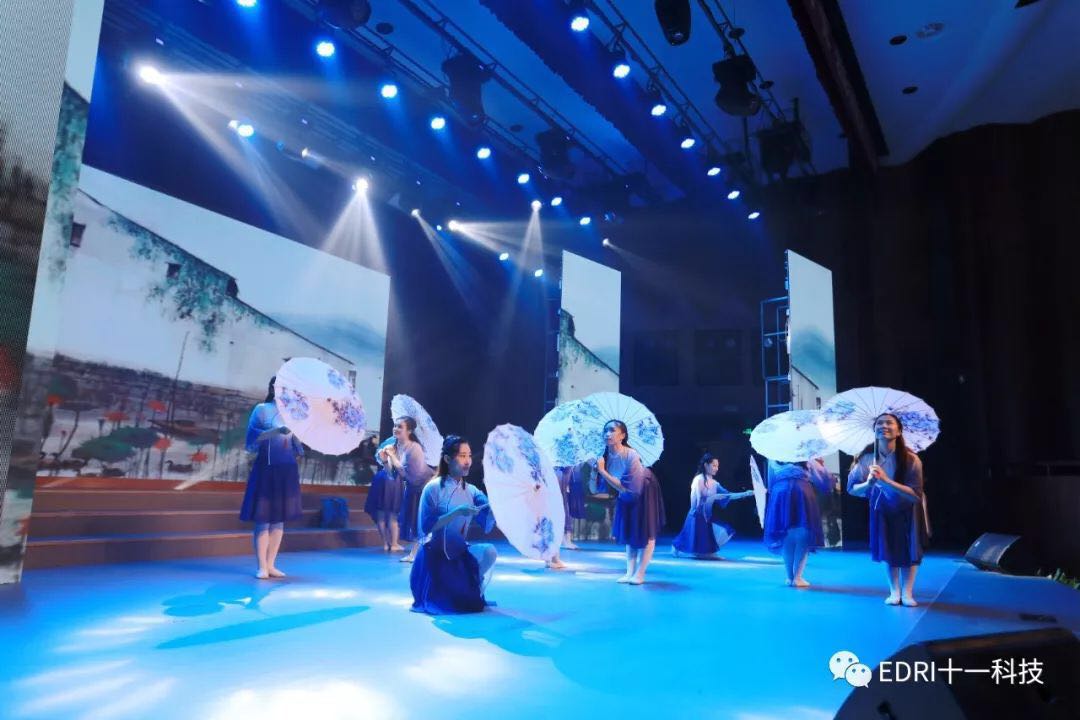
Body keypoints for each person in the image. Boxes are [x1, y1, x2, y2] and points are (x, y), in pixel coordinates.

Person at [847, 413, 928, 606]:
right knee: (888, 546)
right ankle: (894, 591)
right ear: (874, 430)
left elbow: (915, 494)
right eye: (879, 423)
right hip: (882, 508)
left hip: (908, 509)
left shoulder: (911, 459)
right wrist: (868, 484)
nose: (884, 426)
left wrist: (886, 481)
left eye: (889, 423)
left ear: (899, 431)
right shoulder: (867, 459)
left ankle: (907, 592)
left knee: (909, 548)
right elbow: (852, 489)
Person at [410, 435, 497, 614]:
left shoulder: (471, 490)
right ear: (448, 459)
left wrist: (498, 505)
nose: (467, 461)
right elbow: (426, 527)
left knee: (489, 551)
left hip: (459, 551)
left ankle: (474, 584)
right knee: (451, 601)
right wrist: (456, 512)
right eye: (462, 456)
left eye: (469, 456)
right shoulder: (433, 488)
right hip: (436, 555)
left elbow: (487, 515)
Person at [239, 377, 303, 579]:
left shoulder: (294, 413)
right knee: (263, 519)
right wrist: (276, 431)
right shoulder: (262, 410)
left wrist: (298, 437)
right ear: (273, 389)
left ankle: (272, 564)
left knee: (278, 520)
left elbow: (297, 447)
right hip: (266, 468)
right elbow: (252, 438)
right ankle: (261, 566)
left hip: (287, 469)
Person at [596, 420, 664, 585]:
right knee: (629, 531)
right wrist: (595, 472)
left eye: (612, 430)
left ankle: (640, 573)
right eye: (605, 430)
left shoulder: (631, 455)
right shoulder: (604, 456)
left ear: (622, 436)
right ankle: (629, 572)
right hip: (625, 493)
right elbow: (597, 488)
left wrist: (602, 471)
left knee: (646, 530)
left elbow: (631, 489)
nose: (607, 434)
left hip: (644, 491)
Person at [763, 457, 833, 588]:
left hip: (780, 491)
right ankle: (798, 577)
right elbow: (824, 482)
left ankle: (790, 577)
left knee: (786, 535)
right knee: (803, 535)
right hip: (801, 490)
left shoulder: (773, 457)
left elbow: (770, 483)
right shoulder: (805, 455)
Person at [672, 453, 754, 558]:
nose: (716, 468)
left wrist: (746, 493)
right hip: (696, 515)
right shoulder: (699, 479)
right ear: (706, 465)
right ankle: (680, 548)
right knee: (689, 537)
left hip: (706, 516)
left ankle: (705, 552)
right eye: (714, 465)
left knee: (722, 531)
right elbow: (698, 502)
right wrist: (713, 498)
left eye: (717, 466)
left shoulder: (715, 483)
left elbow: (728, 495)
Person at [384, 417, 433, 561]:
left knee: (419, 521)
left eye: (400, 426)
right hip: (412, 489)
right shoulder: (395, 446)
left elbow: (413, 476)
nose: (396, 429)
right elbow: (392, 474)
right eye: (395, 425)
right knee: (414, 522)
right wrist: (385, 459)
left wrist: (392, 456)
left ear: (409, 431)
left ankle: (415, 554)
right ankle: (415, 553)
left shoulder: (414, 448)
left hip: (423, 488)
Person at [363, 435, 405, 551]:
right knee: (393, 516)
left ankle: (386, 544)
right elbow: (399, 467)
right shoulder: (399, 447)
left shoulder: (386, 446)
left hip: (381, 477)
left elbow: (381, 459)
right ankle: (394, 544)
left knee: (381, 515)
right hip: (393, 479)